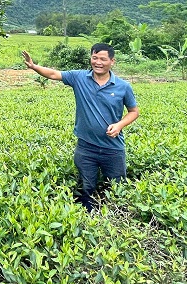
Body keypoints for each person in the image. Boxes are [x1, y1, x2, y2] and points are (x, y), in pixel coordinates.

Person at [22, 43, 139, 211]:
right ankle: (88, 220)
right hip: (86, 147)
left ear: (112, 61)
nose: (98, 62)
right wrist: (34, 66)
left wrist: (120, 125)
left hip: (113, 148)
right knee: (85, 188)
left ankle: (114, 221)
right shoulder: (79, 78)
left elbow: (134, 112)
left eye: (103, 59)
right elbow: (54, 74)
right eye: (94, 58)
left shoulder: (123, 86)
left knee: (116, 189)